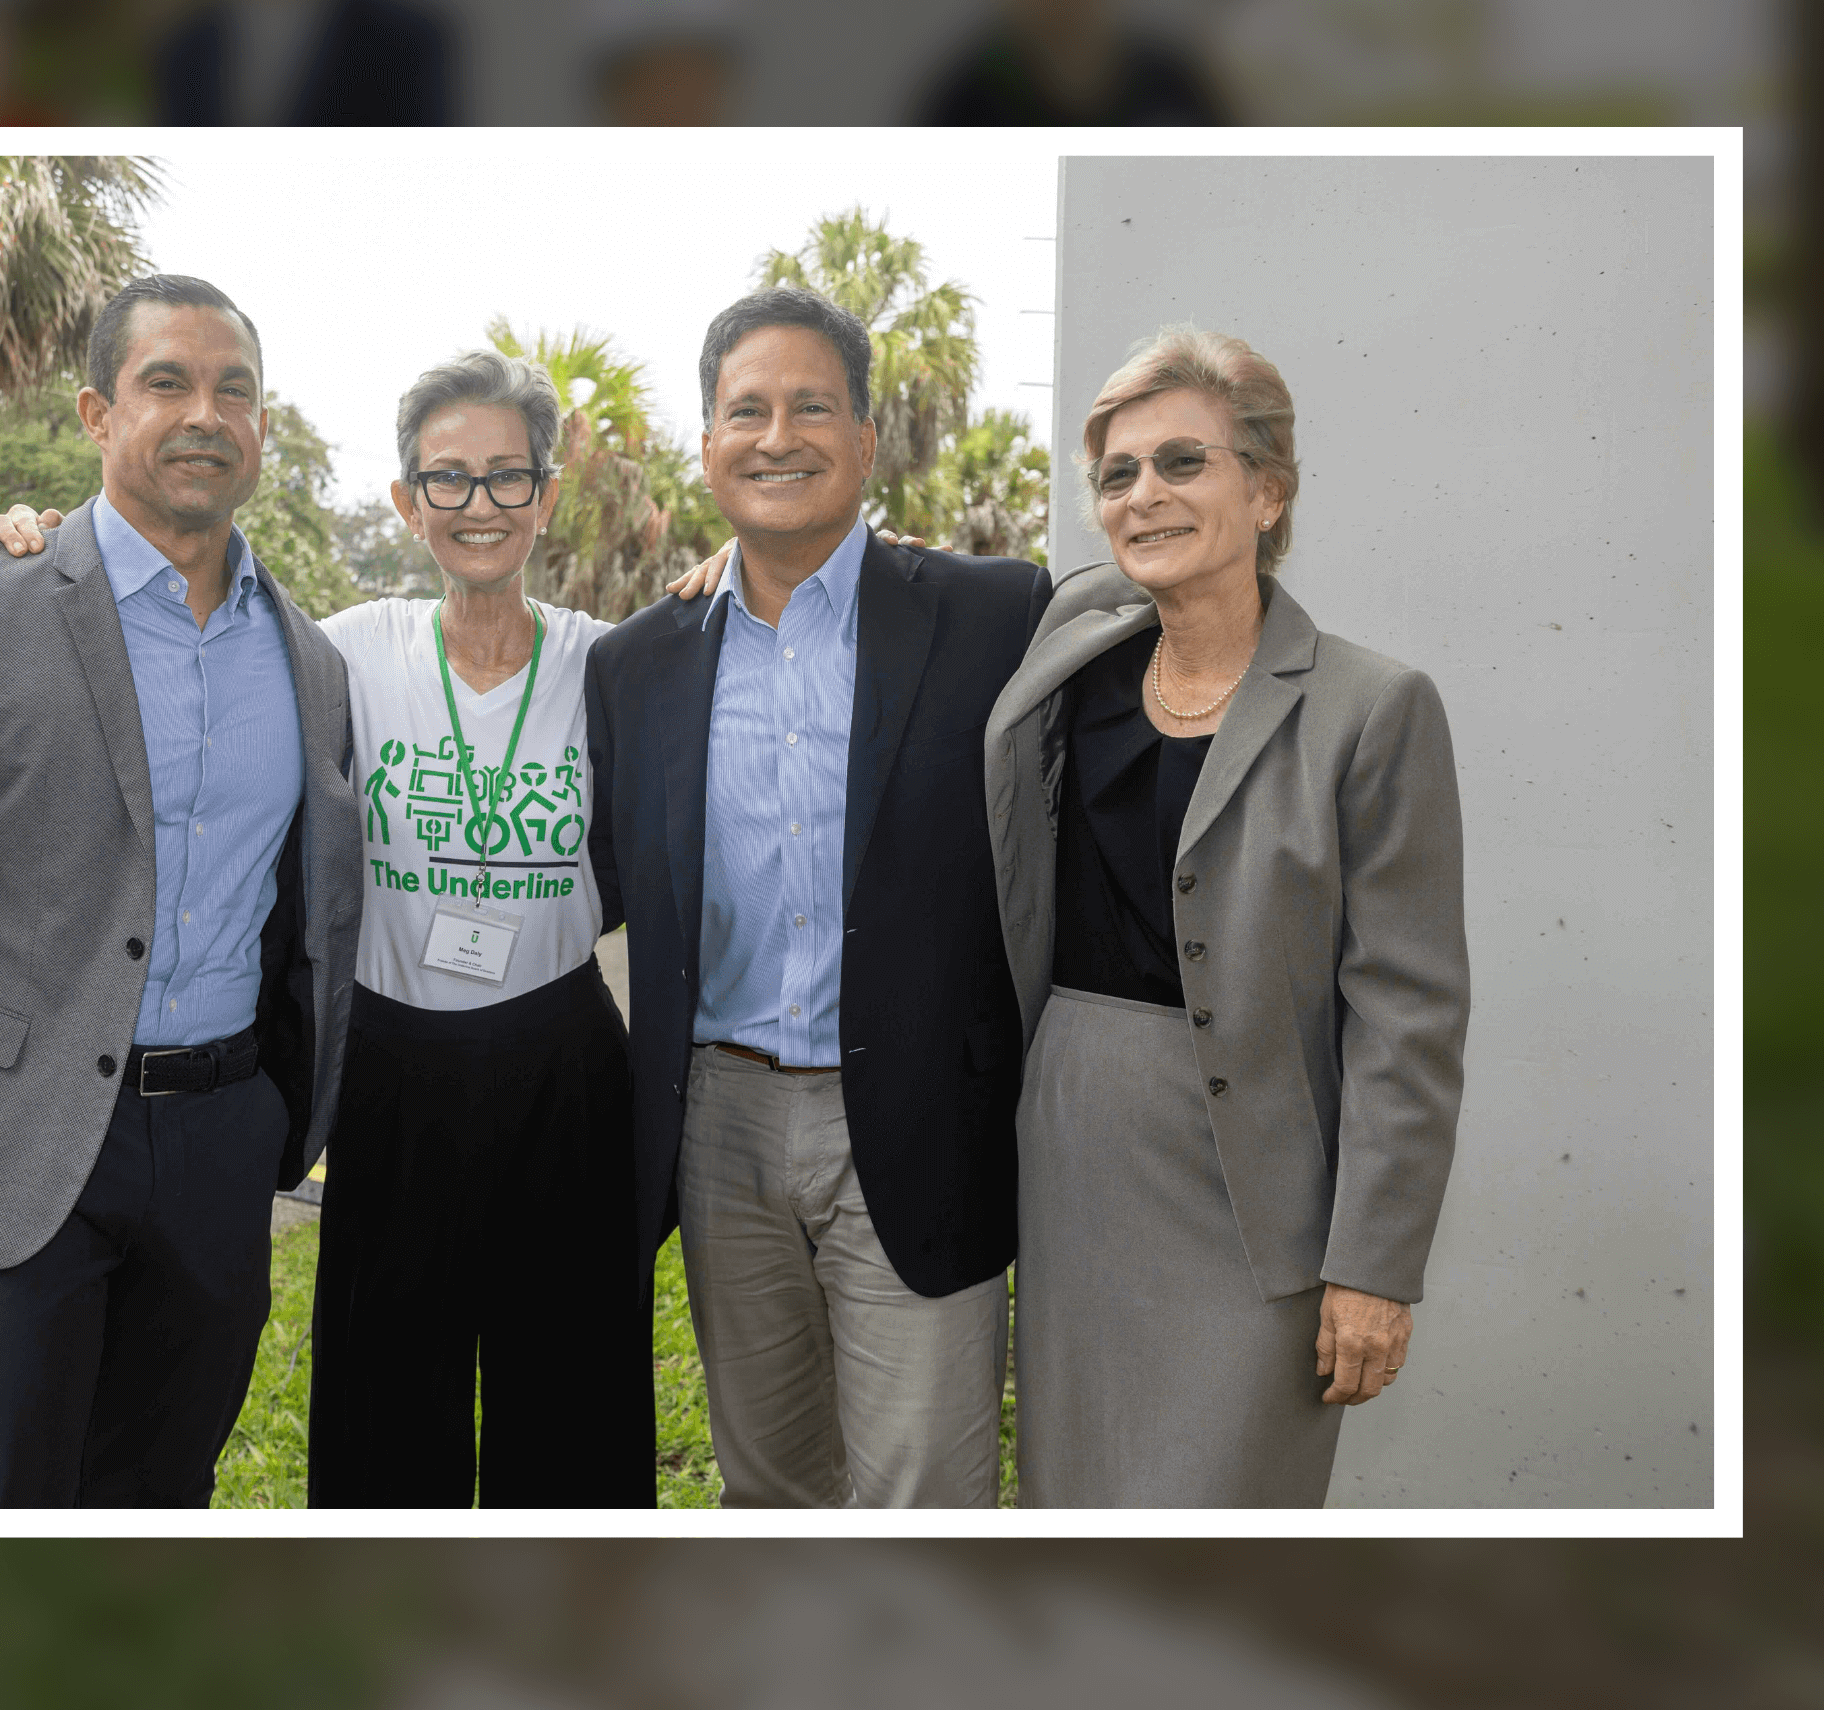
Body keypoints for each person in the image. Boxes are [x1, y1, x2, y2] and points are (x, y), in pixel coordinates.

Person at [0, 346, 652, 1506]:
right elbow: (157, 625)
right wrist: (38, 549)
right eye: (446, 478)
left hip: (563, 1068)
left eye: (505, 478)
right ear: (405, 500)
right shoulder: (334, 649)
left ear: (545, 494)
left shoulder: (617, 663)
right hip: (391, 1067)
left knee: (573, 1399)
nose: (476, 506)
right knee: (387, 1400)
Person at [0, 274, 360, 1507]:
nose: (203, 412)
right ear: (94, 413)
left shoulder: (310, 658)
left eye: (235, 390)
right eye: (165, 381)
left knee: (161, 1501)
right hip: (13, 1161)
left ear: (262, 427)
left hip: (223, 1145)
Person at [581, 283, 1049, 1506]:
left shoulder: (995, 614)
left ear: (865, 441)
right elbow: (598, 880)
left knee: (920, 1495)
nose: (774, 434)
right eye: (745, 409)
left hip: (915, 1114)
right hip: (720, 1122)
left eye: (809, 406)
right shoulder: (637, 664)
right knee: (768, 1488)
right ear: (706, 444)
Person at [984, 327, 1468, 1508]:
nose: (1143, 494)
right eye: (1116, 473)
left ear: (1266, 489)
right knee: (1074, 1491)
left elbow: (1408, 1013)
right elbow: (916, 610)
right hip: (1075, 1141)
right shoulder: (1073, 647)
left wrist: (1373, 1265)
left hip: (1259, 1181)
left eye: (1182, 462)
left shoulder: (1373, 706)